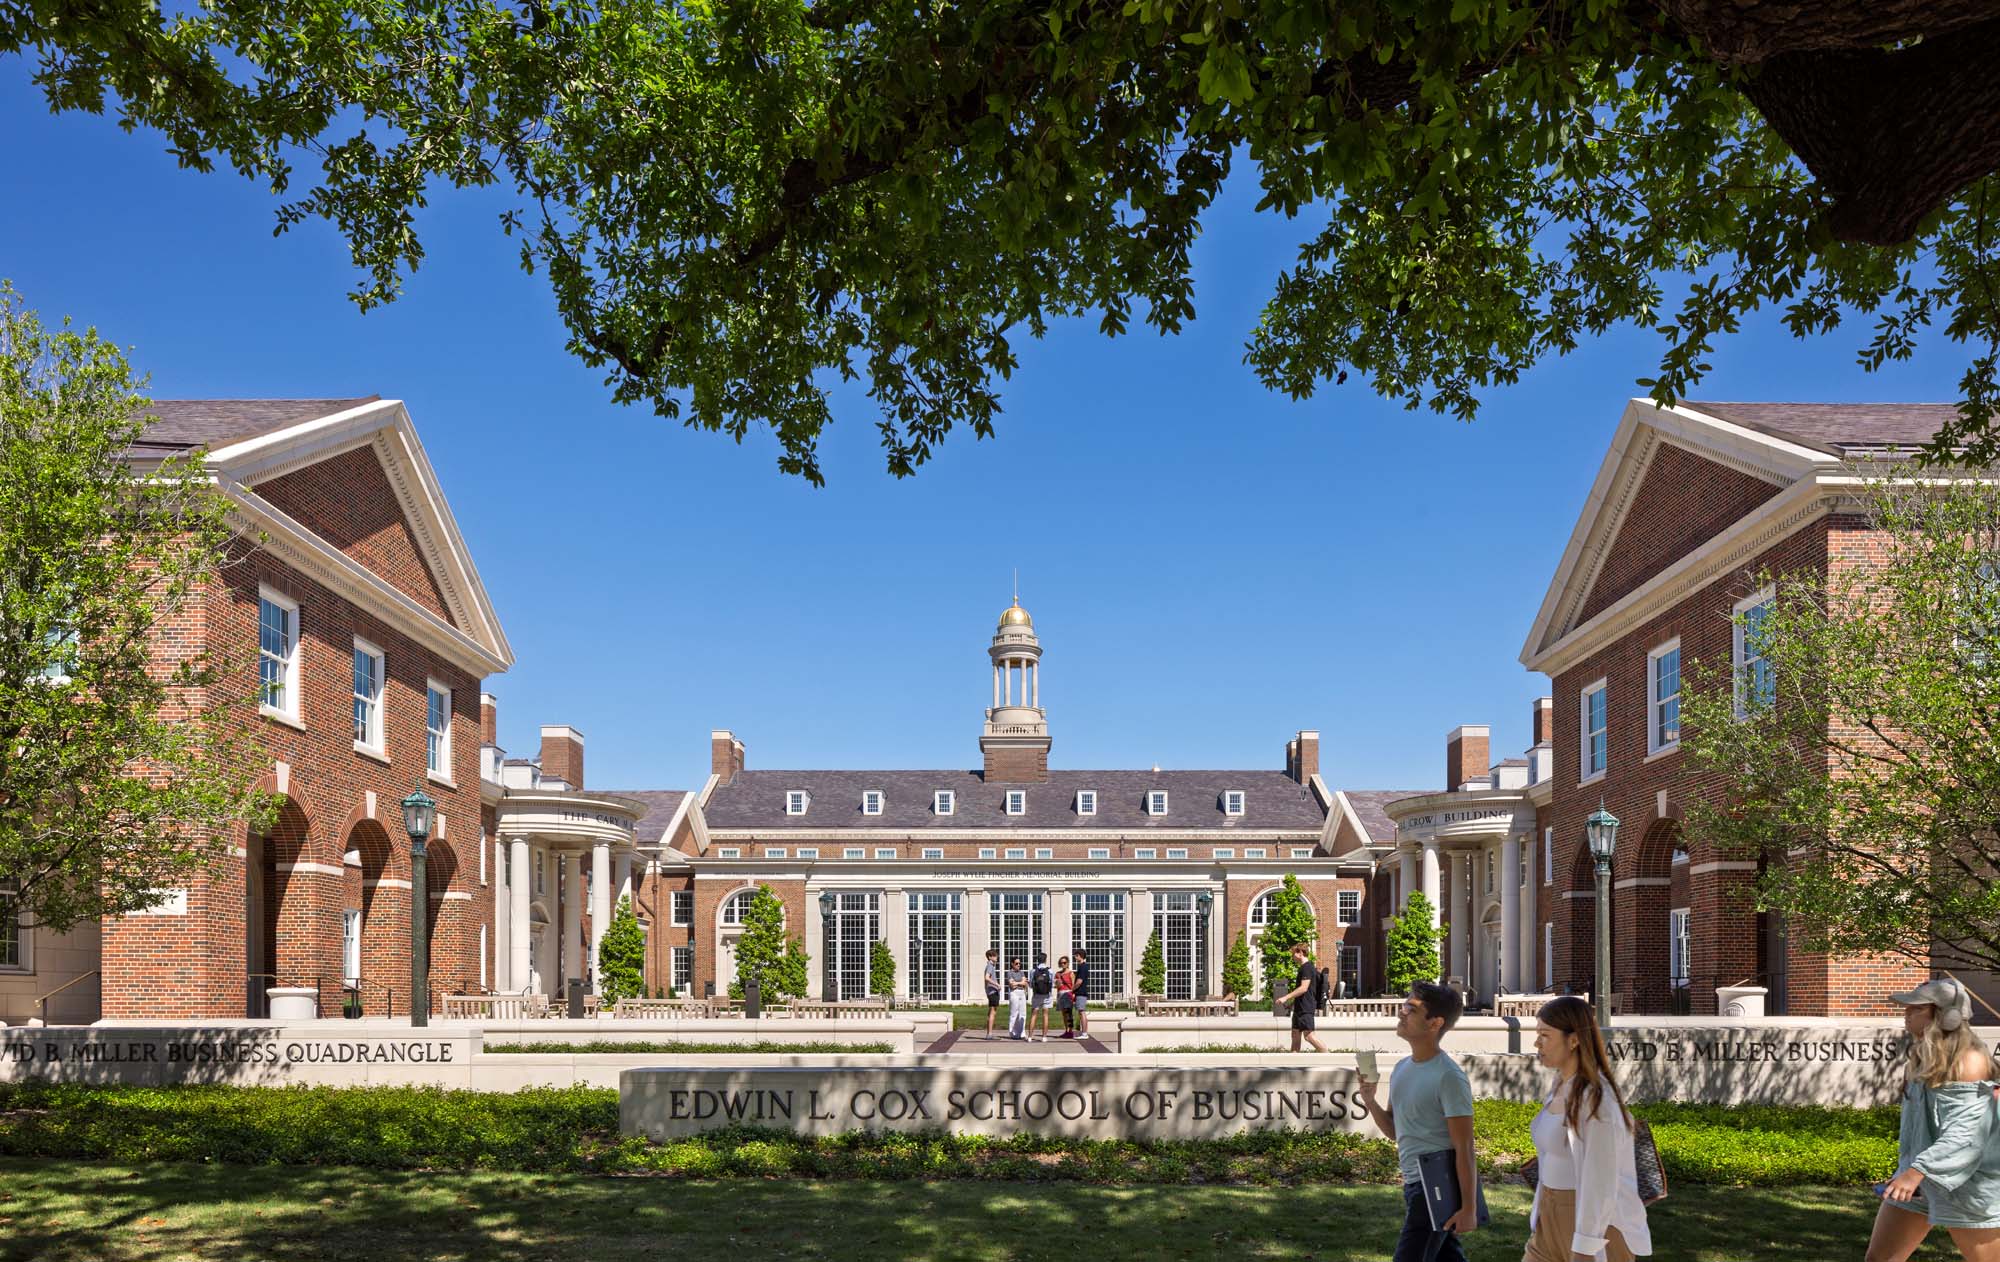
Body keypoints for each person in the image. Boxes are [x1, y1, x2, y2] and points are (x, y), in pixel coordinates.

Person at [1867, 977, 2000, 1262]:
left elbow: (1966, 1135)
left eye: (1916, 1009)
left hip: (1969, 1184)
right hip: (1919, 1181)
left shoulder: (1969, 1062)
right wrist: (1907, 1172)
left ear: (1945, 1015)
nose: (1906, 1014)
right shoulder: (1920, 1060)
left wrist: (1914, 1172)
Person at [1356, 981, 1479, 1262]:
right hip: (1414, 1184)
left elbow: (1465, 1148)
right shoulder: (1402, 1068)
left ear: (1435, 1023)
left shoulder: (1449, 1077)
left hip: (1435, 1186)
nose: (1401, 1013)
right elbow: (1395, 1131)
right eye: (1404, 1006)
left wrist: (1469, 1208)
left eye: (1411, 1009)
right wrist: (1370, 1100)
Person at [1527, 994, 1652, 1262]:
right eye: (1538, 1034)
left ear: (1573, 1040)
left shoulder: (1597, 1101)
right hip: (1548, 1217)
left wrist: (1585, 1246)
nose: (1537, 1043)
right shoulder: (1559, 1086)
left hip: (1594, 1226)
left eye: (1545, 1035)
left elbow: (1601, 1179)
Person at [1279, 943, 1330, 1053]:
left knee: (1309, 1036)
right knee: (1295, 1035)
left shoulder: (1307, 968)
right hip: (1299, 1007)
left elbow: (1304, 988)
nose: (1292, 956)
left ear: (1300, 953)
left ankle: (1330, 1057)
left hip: (1306, 1008)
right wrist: (1292, 1004)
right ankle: (1293, 1065)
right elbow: (1303, 992)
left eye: (1293, 954)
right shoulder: (1305, 968)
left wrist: (1285, 997)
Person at [1028, 953, 1056, 1042]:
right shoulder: (1050, 971)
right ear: (1045, 960)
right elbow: (1052, 983)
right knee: (1045, 1015)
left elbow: (1031, 985)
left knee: (1033, 1015)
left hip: (1036, 995)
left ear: (1037, 960)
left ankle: (1030, 1037)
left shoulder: (1033, 971)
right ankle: (1044, 1037)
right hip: (1047, 996)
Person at [1006, 956, 1029, 1040]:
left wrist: (1017, 983)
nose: (1018, 965)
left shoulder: (1021, 972)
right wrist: (1021, 983)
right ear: (1012, 964)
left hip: (1022, 993)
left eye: (1019, 963)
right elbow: (1012, 985)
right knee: (1014, 1013)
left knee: (1023, 1013)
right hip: (1014, 993)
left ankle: (1022, 1032)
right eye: (1016, 963)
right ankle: (1013, 1032)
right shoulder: (1009, 973)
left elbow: (1025, 983)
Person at [1055, 955, 1078, 1039]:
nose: (1063, 964)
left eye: (1064, 963)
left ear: (1067, 963)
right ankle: (1066, 1030)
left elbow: (1073, 985)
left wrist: (1073, 994)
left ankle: (1070, 1031)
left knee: (1069, 1013)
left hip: (1068, 994)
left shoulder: (1071, 973)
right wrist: (1057, 984)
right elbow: (1056, 986)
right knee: (1063, 1014)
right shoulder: (1058, 974)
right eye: (1061, 963)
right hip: (1060, 994)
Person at [982, 949, 1002, 1037]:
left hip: (990, 991)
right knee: (993, 1012)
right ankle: (989, 1034)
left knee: (991, 1012)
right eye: (994, 955)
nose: (996, 957)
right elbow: (987, 978)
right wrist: (997, 984)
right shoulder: (990, 966)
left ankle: (989, 1033)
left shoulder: (990, 966)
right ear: (990, 957)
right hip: (992, 991)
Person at [1073, 949, 1091, 1038]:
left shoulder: (1083, 967)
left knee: (1082, 1012)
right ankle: (1084, 1033)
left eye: (1076, 955)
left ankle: (1084, 1033)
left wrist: (1072, 990)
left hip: (1081, 993)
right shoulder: (1082, 966)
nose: (1075, 957)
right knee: (1081, 1012)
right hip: (1080, 993)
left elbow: (1079, 982)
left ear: (1080, 956)